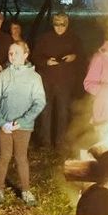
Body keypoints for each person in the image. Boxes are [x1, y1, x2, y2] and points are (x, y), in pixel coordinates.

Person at [0, 40, 46, 206]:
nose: (12, 56)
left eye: (17, 53)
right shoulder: (4, 75)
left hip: (23, 126)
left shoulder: (34, 78)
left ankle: (26, 191)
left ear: (26, 55)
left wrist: (23, 121)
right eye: (10, 53)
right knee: (4, 156)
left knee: (21, 157)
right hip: (4, 125)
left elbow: (39, 102)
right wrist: (1, 121)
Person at [34, 12, 82, 149]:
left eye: (63, 24)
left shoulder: (74, 39)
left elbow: (81, 57)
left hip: (65, 81)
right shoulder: (45, 38)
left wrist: (74, 56)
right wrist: (46, 61)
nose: (60, 27)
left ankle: (61, 141)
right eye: (57, 24)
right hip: (47, 80)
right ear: (53, 24)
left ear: (67, 24)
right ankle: (46, 142)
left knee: (63, 112)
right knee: (45, 111)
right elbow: (35, 56)